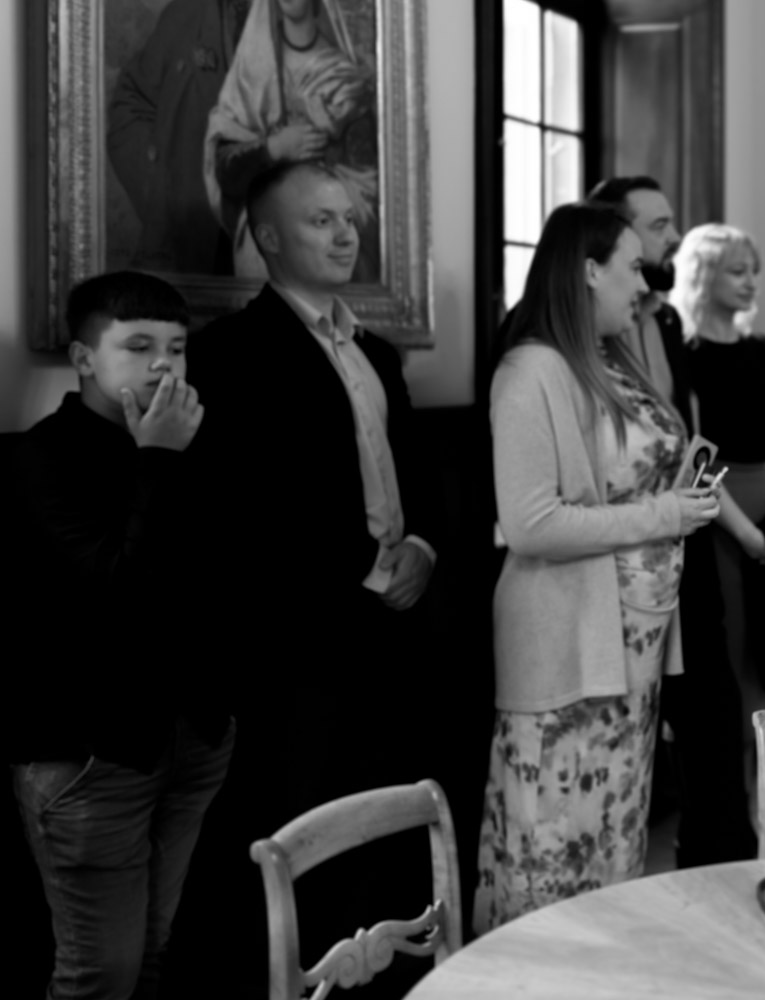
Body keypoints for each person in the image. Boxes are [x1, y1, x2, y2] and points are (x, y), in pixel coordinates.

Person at [178, 160, 438, 996]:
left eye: (349, 218)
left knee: (383, 820)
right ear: (266, 237)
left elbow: (414, 470)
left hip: (395, 621)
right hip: (298, 637)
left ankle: (377, 982)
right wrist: (362, 571)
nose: (345, 233)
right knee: (300, 822)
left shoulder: (375, 351)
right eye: (321, 220)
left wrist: (423, 546)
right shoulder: (229, 353)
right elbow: (245, 506)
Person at [473, 202, 722, 929]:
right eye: (632, 267)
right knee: (553, 846)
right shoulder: (531, 370)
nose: (643, 285)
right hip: (565, 646)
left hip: (631, 651)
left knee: (615, 839)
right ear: (587, 270)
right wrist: (665, 515)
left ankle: (609, 968)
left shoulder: (611, 359)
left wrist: (678, 495)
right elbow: (531, 524)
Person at [9, 271, 234, 1000]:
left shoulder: (196, 440)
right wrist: (157, 457)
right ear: (83, 358)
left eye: (176, 347)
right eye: (138, 347)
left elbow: (223, 575)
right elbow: (120, 592)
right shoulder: (42, 458)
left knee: (153, 951)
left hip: (192, 735)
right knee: (101, 974)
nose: (164, 365)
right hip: (92, 751)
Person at [587, 177, 758, 867]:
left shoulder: (663, 323)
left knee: (714, 713)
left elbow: (686, 432)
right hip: (619, 558)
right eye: (657, 227)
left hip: (688, 539)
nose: (672, 237)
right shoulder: (580, 337)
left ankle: (722, 864)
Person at [671, 224, 765, 700]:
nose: (751, 281)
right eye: (737, 271)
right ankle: (742, 742)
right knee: (733, 637)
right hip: (718, 510)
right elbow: (695, 452)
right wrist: (749, 536)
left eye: (754, 271)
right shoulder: (686, 355)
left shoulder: (762, 350)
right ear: (702, 275)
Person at [205, 0, 379, 281]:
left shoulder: (341, 71)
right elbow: (225, 168)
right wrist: (274, 148)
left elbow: (368, 178)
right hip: (267, 243)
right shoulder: (252, 70)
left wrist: (329, 153)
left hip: (332, 230)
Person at [107, 0, 250, 273]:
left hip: (279, 240)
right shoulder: (186, 14)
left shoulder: (311, 19)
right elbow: (130, 105)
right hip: (196, 244)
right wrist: (164, 193)